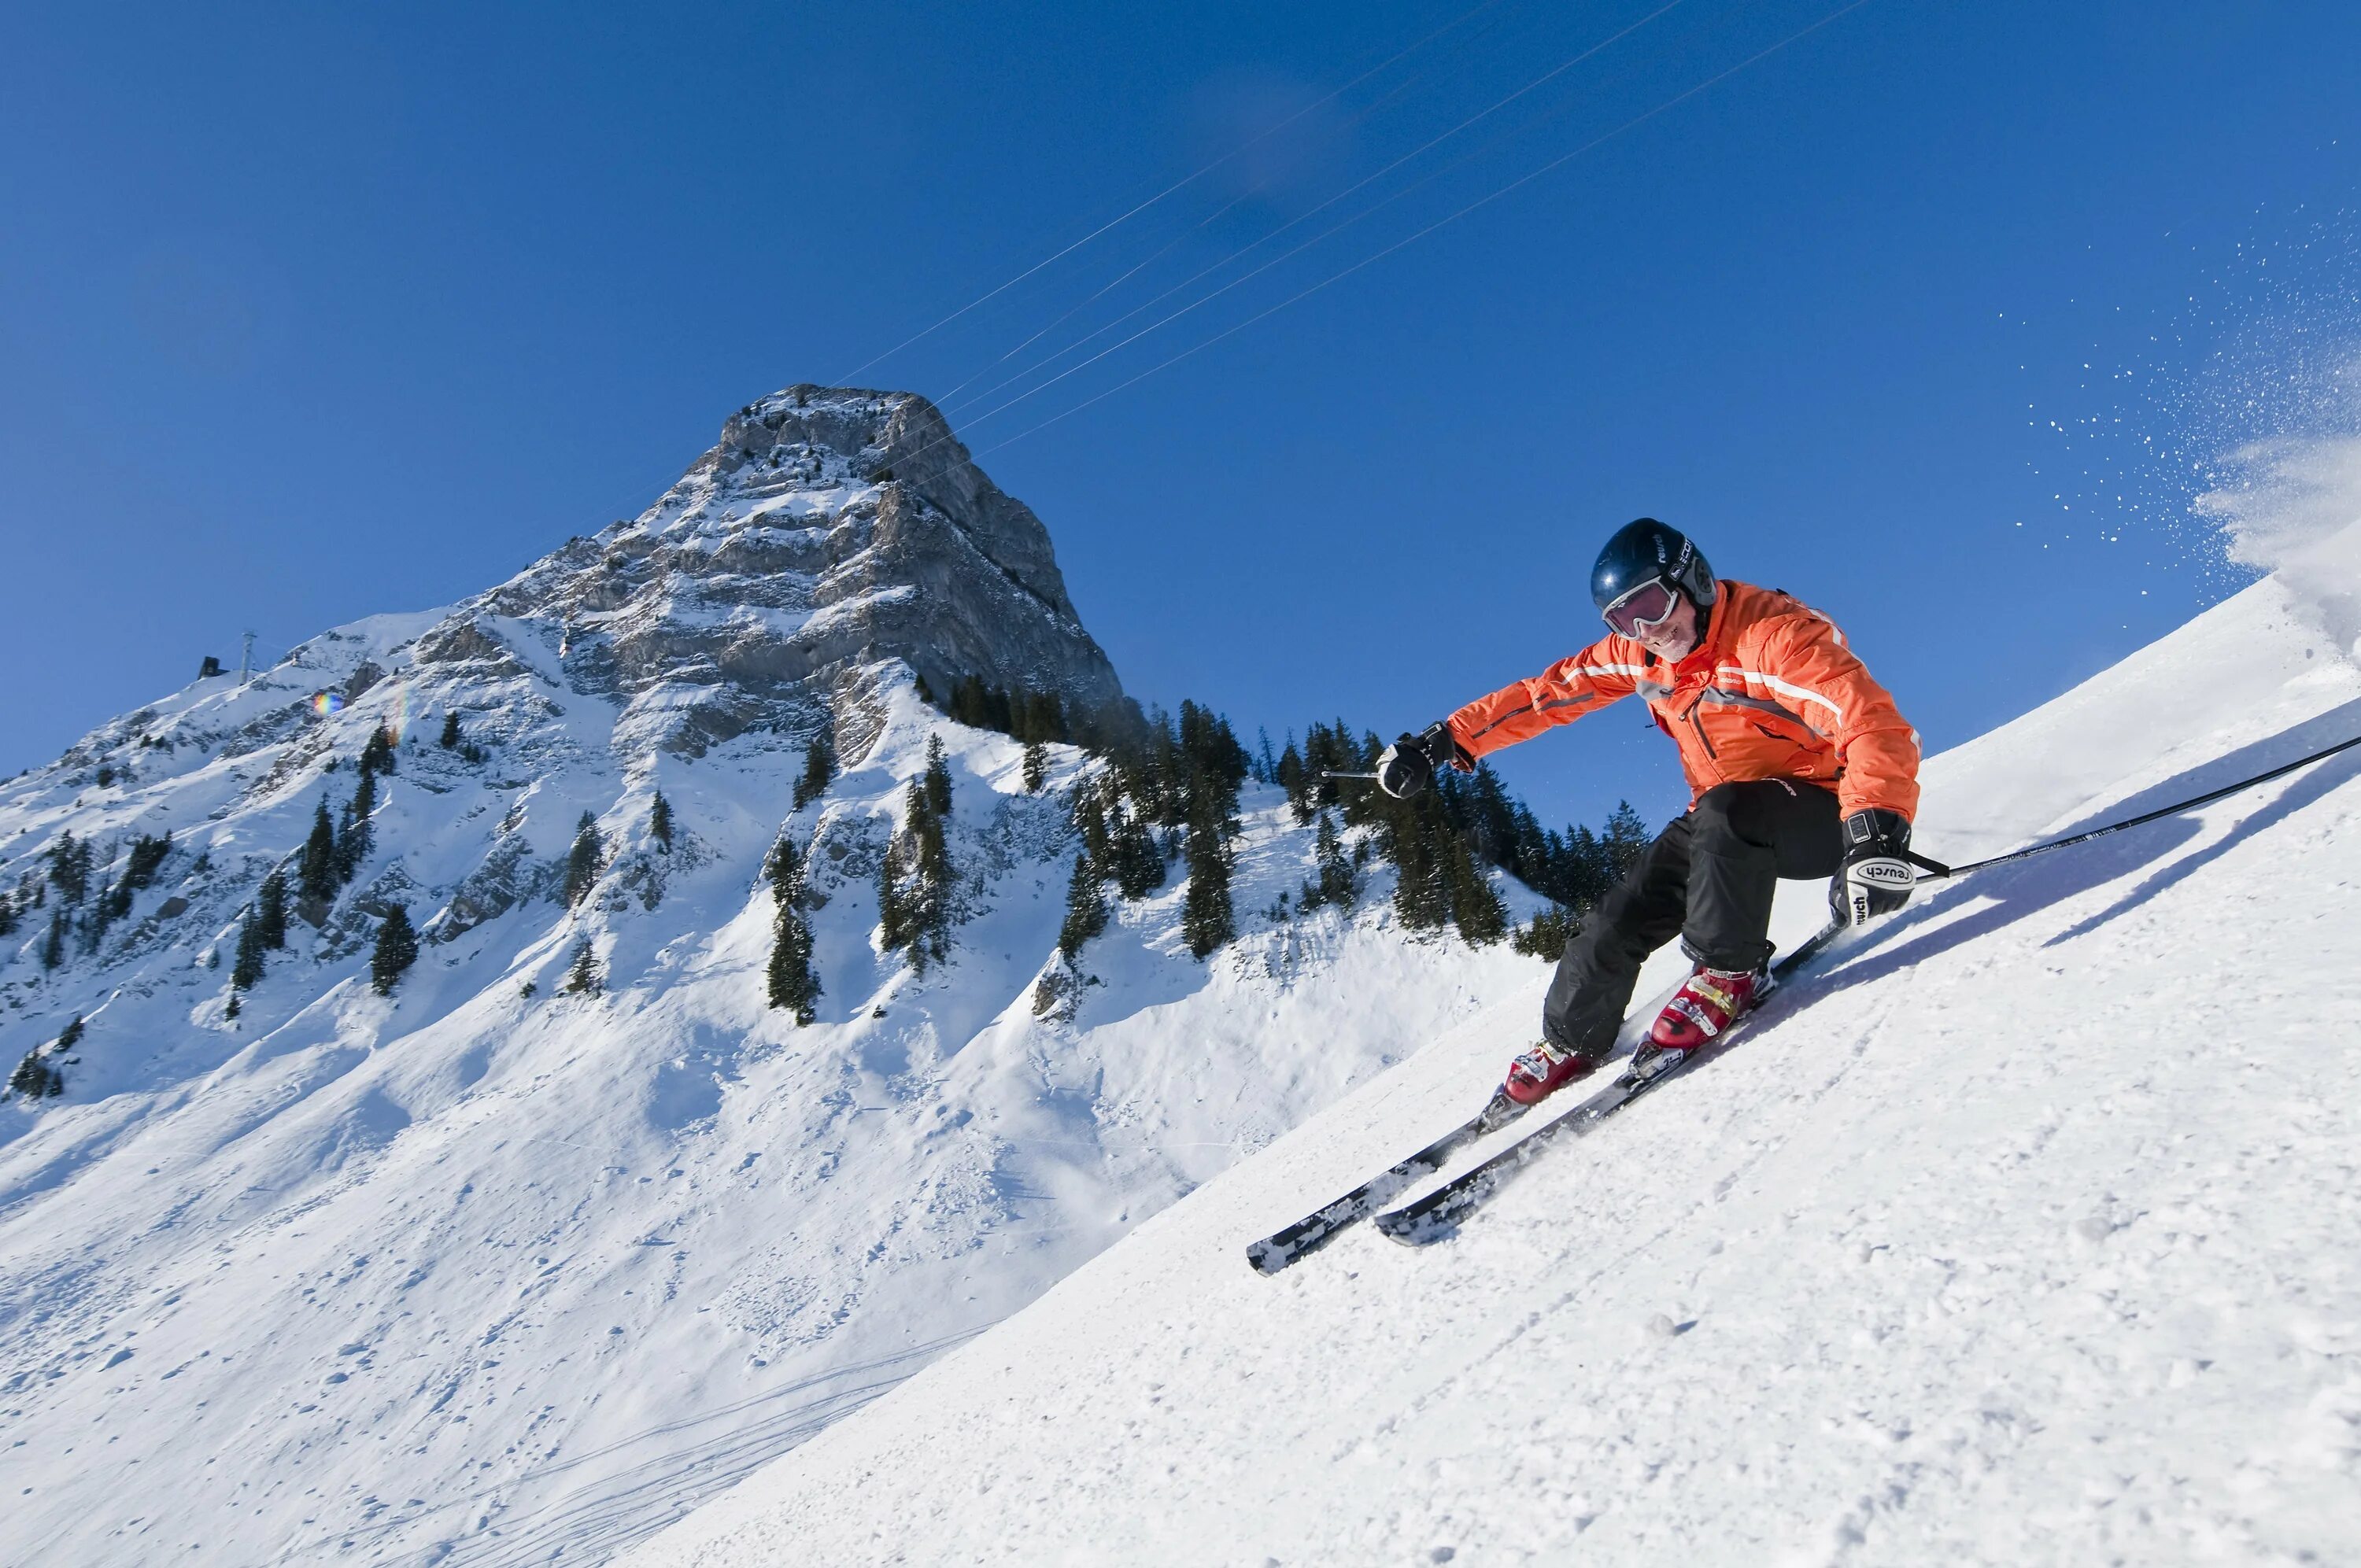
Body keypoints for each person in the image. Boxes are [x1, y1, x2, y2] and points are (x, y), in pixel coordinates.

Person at [1377, 518, 1920, 1104]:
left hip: (1829, 814)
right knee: (1617, 917)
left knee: (1729, 809)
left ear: (1695, 580)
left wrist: (1875, 832)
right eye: (1622, 620)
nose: (1645, 631)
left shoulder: (1771, 637)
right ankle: (1571, 1038)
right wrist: (1446, 740)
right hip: (1723, 826)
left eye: (1652, 607)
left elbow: (1869, 720)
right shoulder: (1642, 656)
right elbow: (1548, 693)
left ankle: (1727, 973)